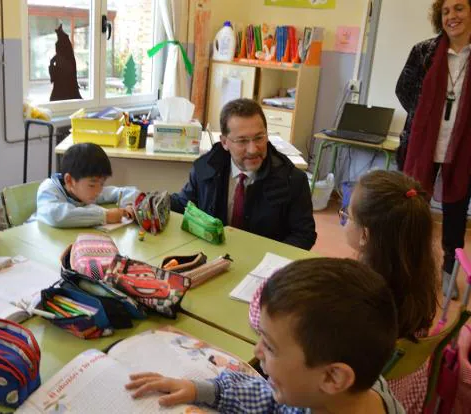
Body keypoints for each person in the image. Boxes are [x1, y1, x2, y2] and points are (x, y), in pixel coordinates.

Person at [248, 170, 437, 413]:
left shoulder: (358, 294)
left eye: (346, 215)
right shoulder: (419, 276)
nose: (344, 219)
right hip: (404, 392)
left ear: (365, 235)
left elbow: (273, 319)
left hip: (345, 395)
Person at [125, 258, 404, 414]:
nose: (257, 352)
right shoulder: (341, 393)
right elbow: (271, 397)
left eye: (269, 346)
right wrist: (201, 389)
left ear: (333, 378)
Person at [396, 0, 471, 298]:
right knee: (412, 206)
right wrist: (425, 116)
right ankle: (408, 265)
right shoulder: (423, 51)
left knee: (455, 209)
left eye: (460, 8)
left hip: (464, 148)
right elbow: (403, 88)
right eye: (446, 11)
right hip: (422, 144)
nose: (452, 16)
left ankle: (448, 268)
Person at [170, 99, 316, 250]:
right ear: (225, 142)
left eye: (259, 138)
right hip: (212, 257)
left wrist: (273, 262)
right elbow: (184, 205)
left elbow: (304, 235)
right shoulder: (205, 168)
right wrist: (152, 201)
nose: (253, 149)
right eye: (242, 141)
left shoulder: (293, 180)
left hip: (265, 264)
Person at [36, 143, 138, 228]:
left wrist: (128, 205)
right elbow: (56, 216)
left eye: (102, 183)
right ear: (69, 180)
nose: (98, 191)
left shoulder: (88, 191)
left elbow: (129, 191)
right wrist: (105, 216)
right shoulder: (49, 189)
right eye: (92, 184)